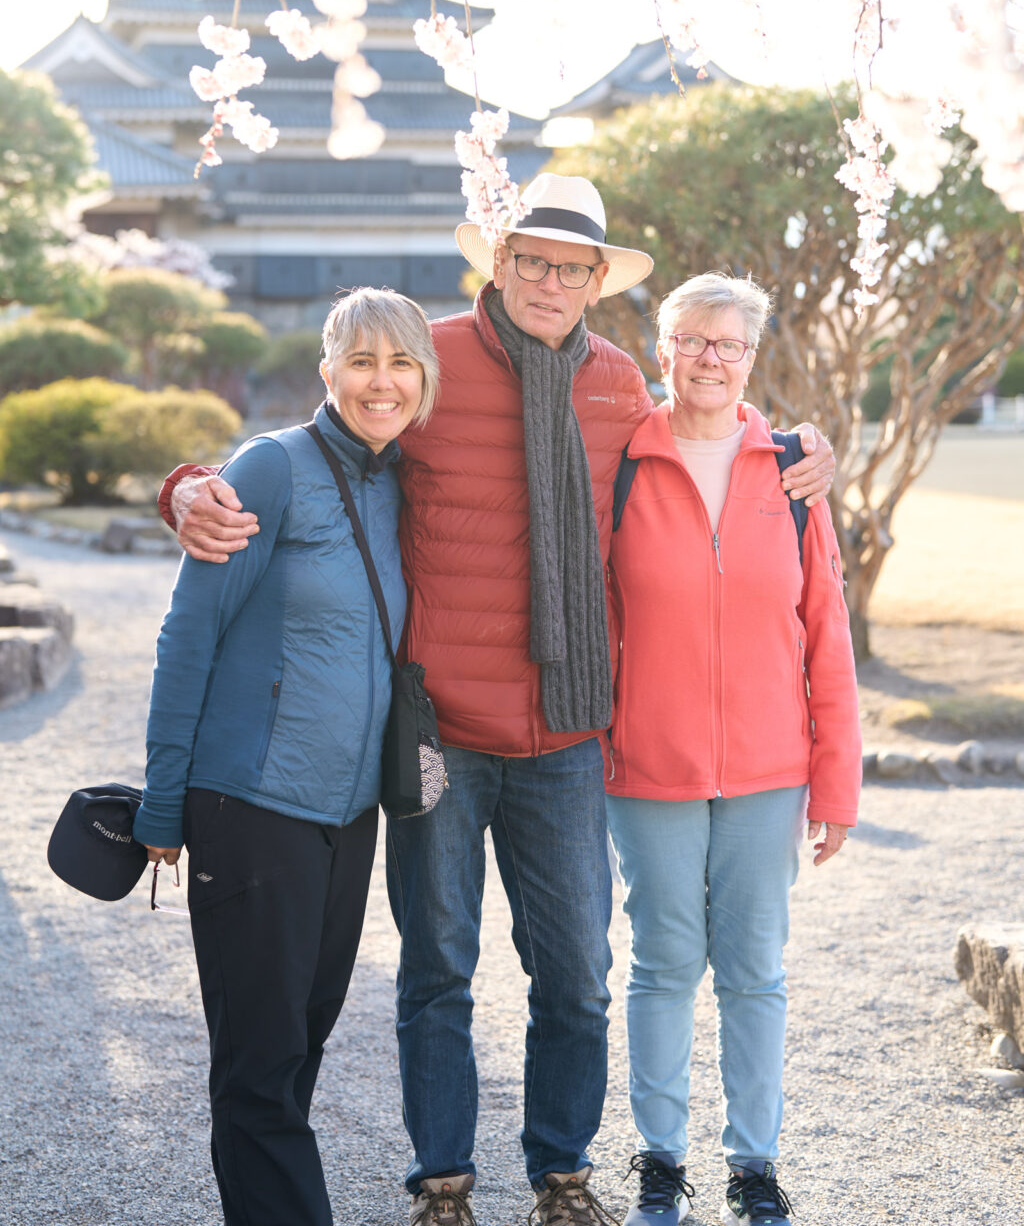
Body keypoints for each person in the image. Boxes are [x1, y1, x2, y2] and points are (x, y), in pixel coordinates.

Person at [162, 175, 836, 1226]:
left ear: (598, 282)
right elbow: (324, 441)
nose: (550, 282)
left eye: (572, 267)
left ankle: (561, 1173)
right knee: (438, 968)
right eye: (531, 261)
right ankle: (442, 1180)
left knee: (576, 975)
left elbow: (711, 435)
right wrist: (188, 486)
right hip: (435, 733)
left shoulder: (618, 387)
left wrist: (799, 449)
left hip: (566, 730)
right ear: (498, 264)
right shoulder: (424, 359)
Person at [133, 287, 440, 1226]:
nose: (380, 383)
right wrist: (161, 804)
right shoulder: (271, 468)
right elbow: (189, 637)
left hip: (349, 821)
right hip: (249, 807)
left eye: (400, 365)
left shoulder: (403, 479)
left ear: (424, 381)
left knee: (300, 1040)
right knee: (261, 1065)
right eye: (361, 361)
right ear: (327, 371)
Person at [605, 273, 861, 1226]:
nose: (711, 359)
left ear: (752, 358)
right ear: (662, 347)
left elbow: (825, 630)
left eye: (731, 345)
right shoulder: (622, 462)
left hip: (769, 770)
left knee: (755, 970)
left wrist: (835, 782)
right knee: (664, 963)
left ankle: (755, 1166)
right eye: (694, 341)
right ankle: (660, 1165)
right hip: (649, 768)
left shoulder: (792, 474)